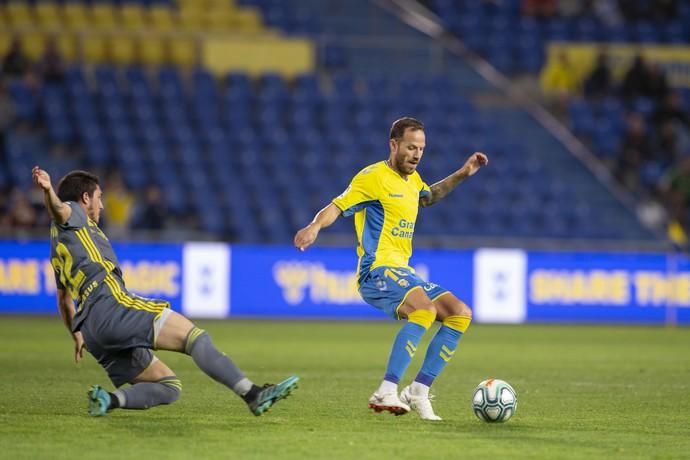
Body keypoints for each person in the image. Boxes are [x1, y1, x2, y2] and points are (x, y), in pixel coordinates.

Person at [31, 167, 298, 417]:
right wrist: (48, 191)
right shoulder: (74, 214)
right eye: (99, 198)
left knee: (169, 386)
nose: (101, 205)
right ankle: (252, 394)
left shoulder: (58, 245)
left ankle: (109, 400)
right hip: (113, 306)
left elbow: (64, 299)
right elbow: (60, 210)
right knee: (196, 338)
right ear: (85, 198)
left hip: (92, 332)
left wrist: (76, 335)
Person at [293, 117, 488, 421]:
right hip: (376, 270)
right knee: (423, 310)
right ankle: (386, 389)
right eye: (411, 147)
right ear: (394, 145)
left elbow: (429, 196)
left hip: (403, 271)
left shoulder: (413, 180)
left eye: (421, 148)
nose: (416, 154)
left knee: (459, 312)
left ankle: (419, 391)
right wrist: (315, 225)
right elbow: (337, 206)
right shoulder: (372, 177)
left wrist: (464, 173)